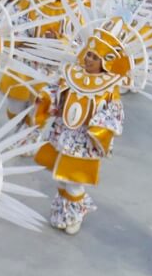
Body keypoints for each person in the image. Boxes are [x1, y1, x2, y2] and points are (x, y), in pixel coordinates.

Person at [35, 19, 131, 234]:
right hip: (63, 133)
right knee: (59, 178)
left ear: (105, 62)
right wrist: (47, 98)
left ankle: (76, 212)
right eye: (89, 54)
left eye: (95, 58)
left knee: (74, 182)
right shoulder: (71, 74)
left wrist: (98, 126)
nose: (89, 60)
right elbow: (54, 90)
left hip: (83, 141)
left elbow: (114, 113)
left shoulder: (108, 88)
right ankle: (62, 212)